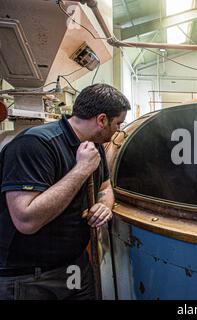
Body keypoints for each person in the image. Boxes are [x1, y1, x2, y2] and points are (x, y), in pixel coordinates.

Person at [0, 83, 130, 300]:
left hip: (74, 267)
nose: (118, 130)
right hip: (30, 277)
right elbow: (26, 220)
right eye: (117, 123)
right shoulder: (34, 145)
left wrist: (104, 205)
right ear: (101, 120)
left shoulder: (93, 145)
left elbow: (105, 187)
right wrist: (81, 169)